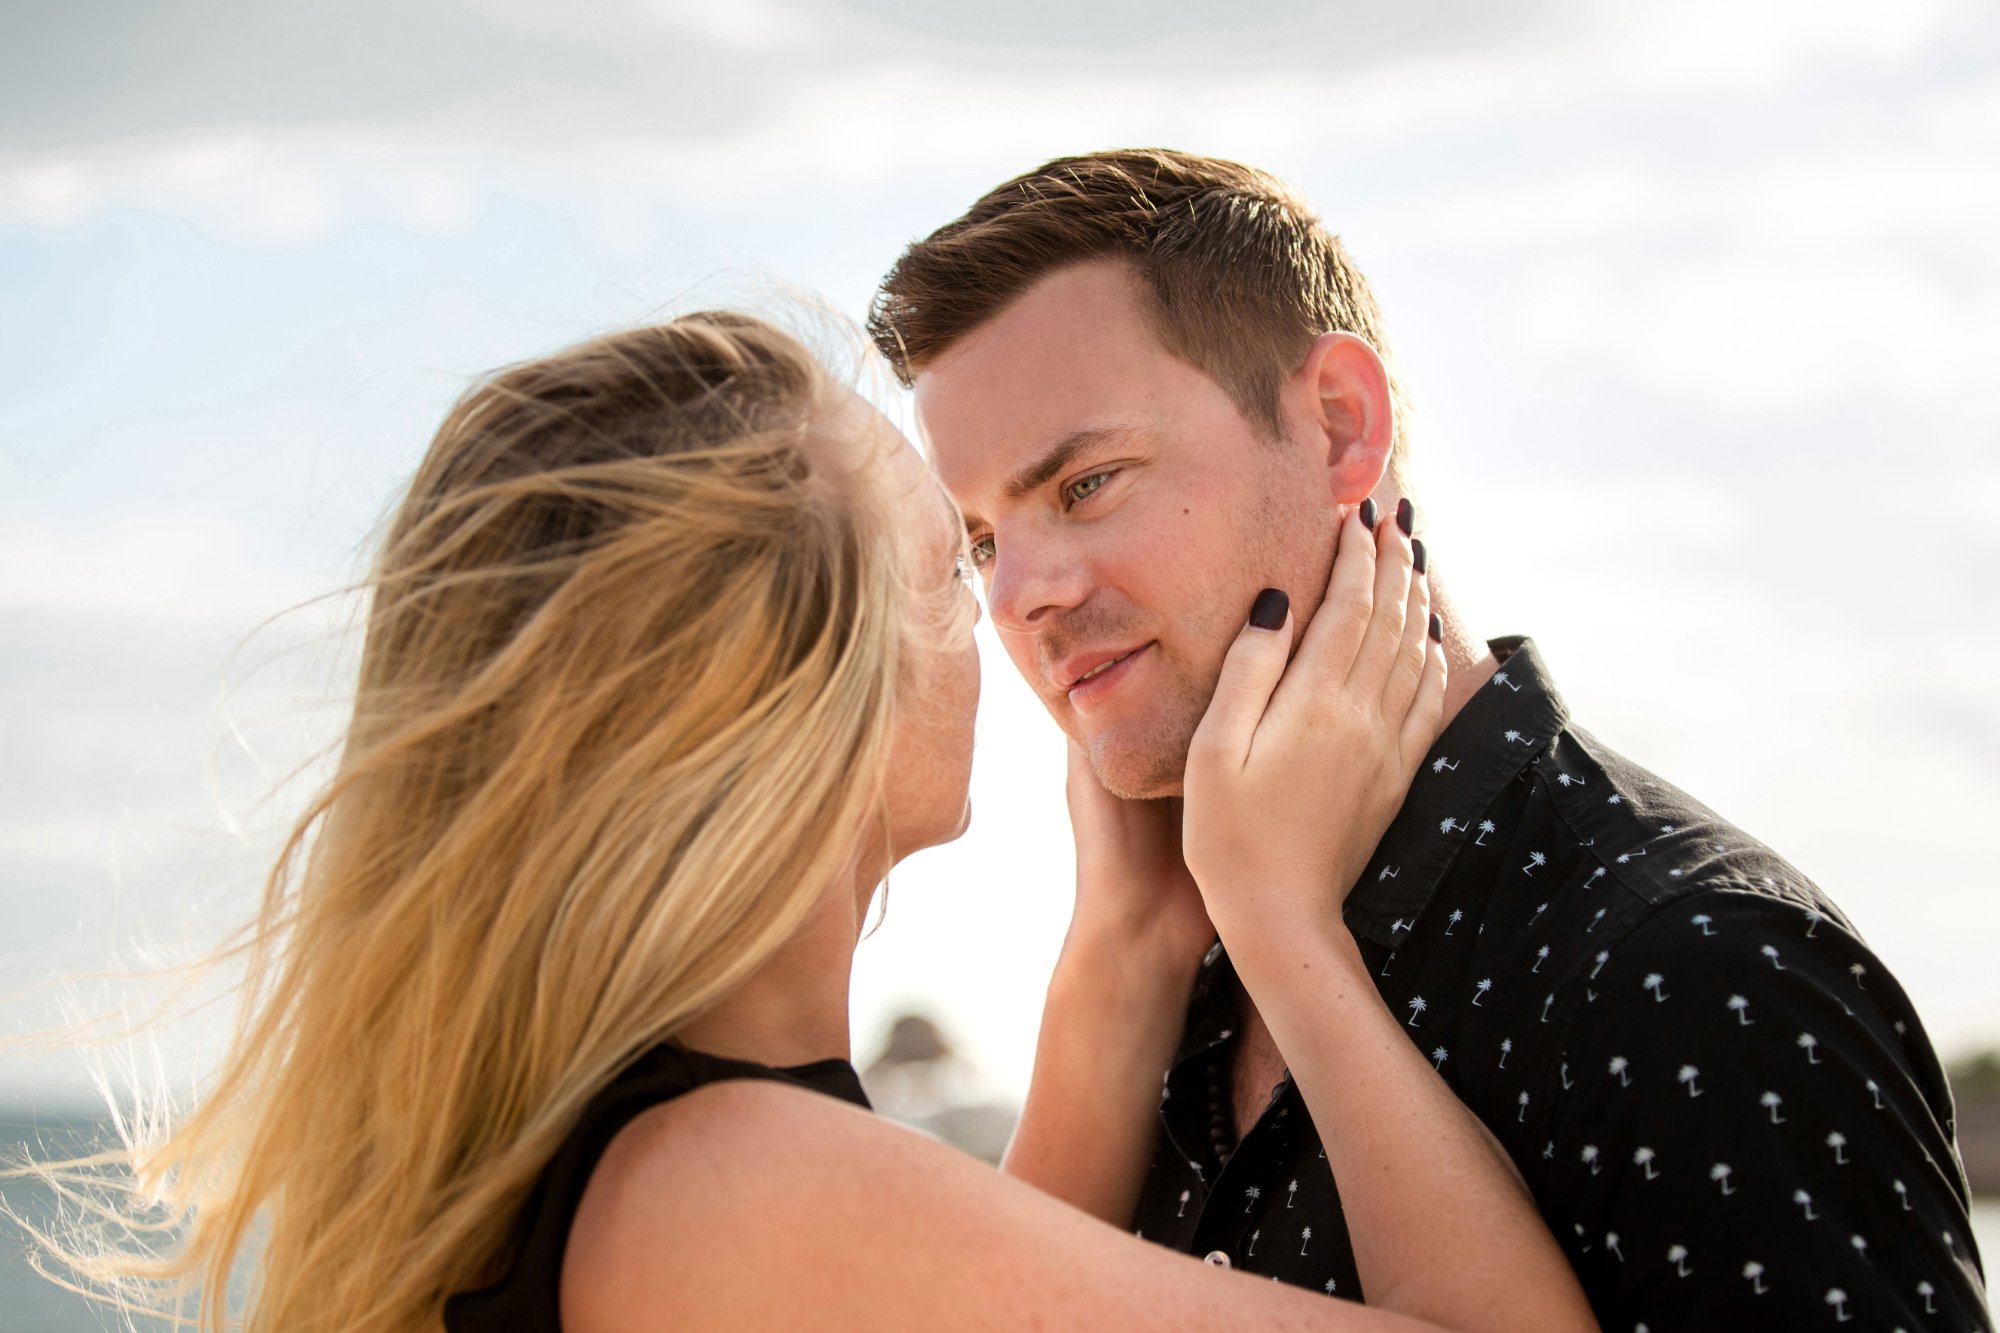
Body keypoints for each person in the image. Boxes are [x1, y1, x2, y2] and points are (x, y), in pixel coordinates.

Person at [13, 312, 1598, 1332]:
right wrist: (1288, 927)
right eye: (944, 567)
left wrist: (1125, 945)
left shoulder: (683, 1171)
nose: (1008, 622)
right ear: (788, 701)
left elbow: (974, 1271)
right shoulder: (731, 1192)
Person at [869, 148, 1992, 1330]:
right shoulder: (1157, 968)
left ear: (1342, 427)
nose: (1018, 599)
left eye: (1087, 483)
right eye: (982, 541)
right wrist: (1132, 940)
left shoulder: (1700, 971)